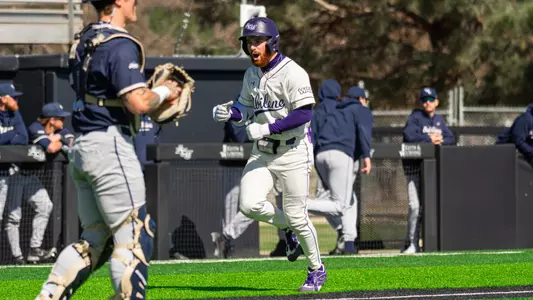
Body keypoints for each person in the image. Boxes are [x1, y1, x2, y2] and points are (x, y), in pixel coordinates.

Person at [35, 0, 182, 298]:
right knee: (135, 234)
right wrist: (167, 91)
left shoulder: (86, 39)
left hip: (84, 147)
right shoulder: (120, 43)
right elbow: (138, 102)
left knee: (95, 241)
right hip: (110, 145)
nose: (136, 2)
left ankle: (48, 296)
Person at [212, 17, 326, 292]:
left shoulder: (293, 72)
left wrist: (265, 128)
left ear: (273, 42)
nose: (253, 47)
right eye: (249, 42)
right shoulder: (251, 73)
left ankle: (316, 269)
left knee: (299, 216)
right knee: (249, 205)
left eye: (257, 41)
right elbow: (243, 108)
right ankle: (289, 229)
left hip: (293, 150)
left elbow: (303, 113)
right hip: (263, 153)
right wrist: (230, 113)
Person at [212, 94, 287, 259]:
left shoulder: (265, 112)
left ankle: (227, 236)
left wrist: (262, 131)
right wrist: (259, 132)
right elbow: (239, 136)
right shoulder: (236, 111)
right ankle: (226, 243)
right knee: (232, 208)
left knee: (259, 203)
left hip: (258, 164)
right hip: (234, 165)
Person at [308, 83, 373, 255]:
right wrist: (366, 156)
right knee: (341, 204)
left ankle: (349, 242)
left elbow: (312, 137)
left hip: (320, 157)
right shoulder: (356, 109)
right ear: (360, 99)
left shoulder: (322, 110)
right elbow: (363, 134)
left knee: (346, 199)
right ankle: (300, 204)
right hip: (342, 157)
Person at [0, 84, 54, 265]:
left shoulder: (15, 114)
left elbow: (22, 138)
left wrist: (8, 141)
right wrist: (10, 138)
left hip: (12, 171)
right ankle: (18, 257)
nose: (16, 100)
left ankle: (32, 251)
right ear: (2, 98)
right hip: (9, 174)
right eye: (13, 97)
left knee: (45, 206)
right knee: (11, 216)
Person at [402, 87, 455, 254]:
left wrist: (442, 140)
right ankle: (412, 243)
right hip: (414, 169)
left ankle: (427, 243)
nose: (427, 103)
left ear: (437, 102)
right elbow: (409, 136)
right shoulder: (415, 117)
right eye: (424, 100)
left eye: (431, 99)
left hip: (433, 172)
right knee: (415, 206)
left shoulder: (439, 120)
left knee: (431, 207)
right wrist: (429, 139)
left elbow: (452, 138)